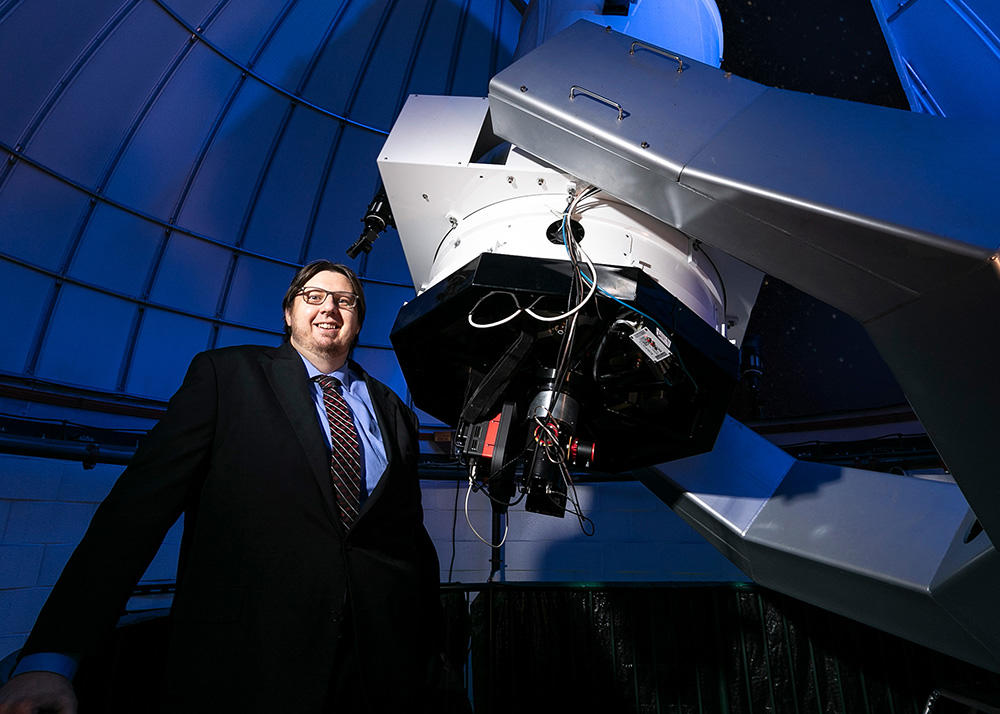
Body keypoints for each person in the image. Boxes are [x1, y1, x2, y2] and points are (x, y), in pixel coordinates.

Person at [0, 261, 444, 713]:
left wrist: (437, 660)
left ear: (357, 320)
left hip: (378, 673)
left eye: (345, 300)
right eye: (314, 296)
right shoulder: (226, 376)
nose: (329, 307)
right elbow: (134, 514)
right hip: (247, 666)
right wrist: (50, 658)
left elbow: (411, 543)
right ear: (288, 313)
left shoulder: (394, 410)